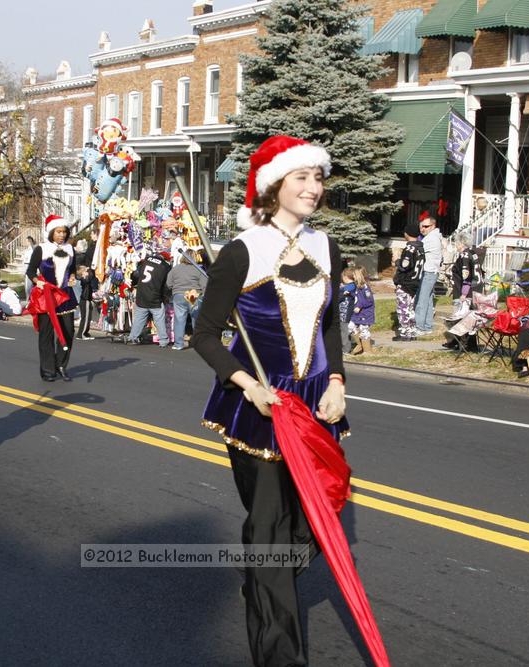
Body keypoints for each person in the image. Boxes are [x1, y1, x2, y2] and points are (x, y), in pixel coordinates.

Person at [192, 135, 347, 667]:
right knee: (269, 529)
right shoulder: (243, 251)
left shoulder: (327, 246)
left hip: (314, 402)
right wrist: (250, 385)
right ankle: (280, 655)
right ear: (273, 186)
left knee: (313, 522)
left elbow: (329, 323)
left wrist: (338, 382)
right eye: (301, 177)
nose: (313, 187)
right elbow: (206, 334)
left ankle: (263, 578)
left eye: (318, 177)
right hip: (257, 403)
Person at [27, 214, 78, 382]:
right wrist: (37, 282)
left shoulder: (70, 249)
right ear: (51, 232)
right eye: (58, 232)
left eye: (64, 232)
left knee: (68, 332)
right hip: (47, 297)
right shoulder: (41, 249)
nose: (62, 235)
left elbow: (73, 270)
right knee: (46, 335)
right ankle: (48, 370)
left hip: (65, 297)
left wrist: (73, 277)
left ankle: (61, 364)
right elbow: (30, 271)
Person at [120, 249, 170, 347]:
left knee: (139, 319)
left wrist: (134, 284)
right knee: (159, 319)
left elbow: (135, 275)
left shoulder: (146, 260)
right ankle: (163, 341)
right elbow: (166, 285)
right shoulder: (165, 266)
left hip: (141, 295)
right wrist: (165, 297)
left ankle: (132, 338)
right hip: (155, 297)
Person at [166, 251, 207, 350]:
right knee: (196, 320)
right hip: (194, 295)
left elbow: (168, 284)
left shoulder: (175, 269)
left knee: (179, 320)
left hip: (179, 295)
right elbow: (205, 285)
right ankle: (199, 344)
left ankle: (178, 344)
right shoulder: (198, 269)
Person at [392, 221, 424, 342]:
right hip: (415, 282)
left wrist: (396, 261)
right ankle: (411, 331)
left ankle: (405, 333)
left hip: (406, 282)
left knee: (403, 308)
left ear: (407, 233)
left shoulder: (410, 248)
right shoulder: (420, 247)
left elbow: (405, 265)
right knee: (410, 308)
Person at [414, 213, 441, 335]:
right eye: (421, 227)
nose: (422, 229)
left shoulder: (432, 238)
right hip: (430, 272)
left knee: (422, 300)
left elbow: (417, 250)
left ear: (433, 226)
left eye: (425, 226)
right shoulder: (431, 237)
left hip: (429, 273)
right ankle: (427, 326)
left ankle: (420, 327)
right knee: (428, 300)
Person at [348, 266, 375, 354]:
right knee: (351, 326)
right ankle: (359, 344)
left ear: (360, 276)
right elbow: (358, 297)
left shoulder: (365, 288)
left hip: (365, 314)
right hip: (357, 314)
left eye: (355, 275)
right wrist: (350, 294)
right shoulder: (357, 286)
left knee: (364, 330)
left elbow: (369, 300)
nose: (353, 277)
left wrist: (359, 306)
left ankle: (367, 351)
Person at [75, 265, 98, 340]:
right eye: (85, 270)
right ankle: (81, 334)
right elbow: (88, 279)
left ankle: (85, 332)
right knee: (85, 317)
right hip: (85, 299)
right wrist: (86, 274)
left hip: (86, 299)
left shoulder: (84, 278)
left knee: (88, 317)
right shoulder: (83, 278)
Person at [337, 267, 356, 354]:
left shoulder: (350, 287)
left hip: (345, 314)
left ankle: (346, 349)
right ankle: (349, 345)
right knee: (345, 331)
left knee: (344, 331)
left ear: (345, 277)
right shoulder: (350, 286)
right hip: (343, 313)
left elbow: (340, 296)